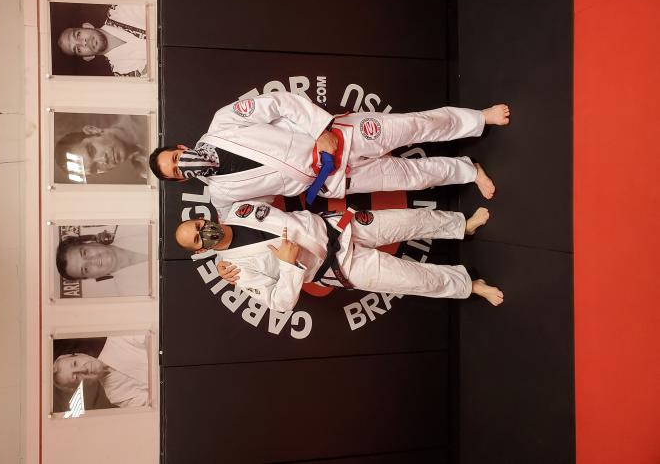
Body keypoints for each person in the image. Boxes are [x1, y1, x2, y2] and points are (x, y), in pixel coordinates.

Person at [150, 92, 510, 218]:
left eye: (175, 159)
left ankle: (478, 119)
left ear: (180, 148)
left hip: (336, 138)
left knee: (415, 126)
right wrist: (226, 260)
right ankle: (468, 170)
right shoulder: (221, 194)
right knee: (413, 178)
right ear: (180, 180)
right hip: (330, 180)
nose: (181, 165)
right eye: (175, 172)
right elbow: (237, 224)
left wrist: (321, 131)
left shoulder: (223, 122)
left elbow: (280, 102)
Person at [175, 201, 504, 312]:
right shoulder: (234, 268)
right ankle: (470, 286)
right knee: (414, 279)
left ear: (203, 218)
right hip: (337, 267)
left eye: (199, 225)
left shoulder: (236, 208)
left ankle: (462, 225)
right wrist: (288, 266)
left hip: (337, 226)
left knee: (410, 220)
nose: (205, 231)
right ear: (201, 250)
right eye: (199, 238)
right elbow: (280, 302)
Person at [53, 335, 149, 409]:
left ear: (79, 354)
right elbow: (151, 403)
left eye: (75, 363)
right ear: (80, 387)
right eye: (76, 377)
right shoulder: (115, 396)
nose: (83, 370)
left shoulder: (117, 339)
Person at [57, 3, 147, 77]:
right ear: (88, 57)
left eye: (78, 35)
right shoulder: (122, 71)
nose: (82, 42)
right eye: (78, 49)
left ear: (87, 26)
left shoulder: (119, 10)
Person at [55, 227, 148, 296]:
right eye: (85, 269)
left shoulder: (130, 228)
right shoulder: (131, 293)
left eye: (85, 253)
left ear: (89, 242)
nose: (91, 261)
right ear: (91, 277)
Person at [55, 115, 148, 180]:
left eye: (91, 151)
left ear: (92, 131)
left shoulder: (142, 116)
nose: (103, 160)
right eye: (95, 168)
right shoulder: (143, 170)